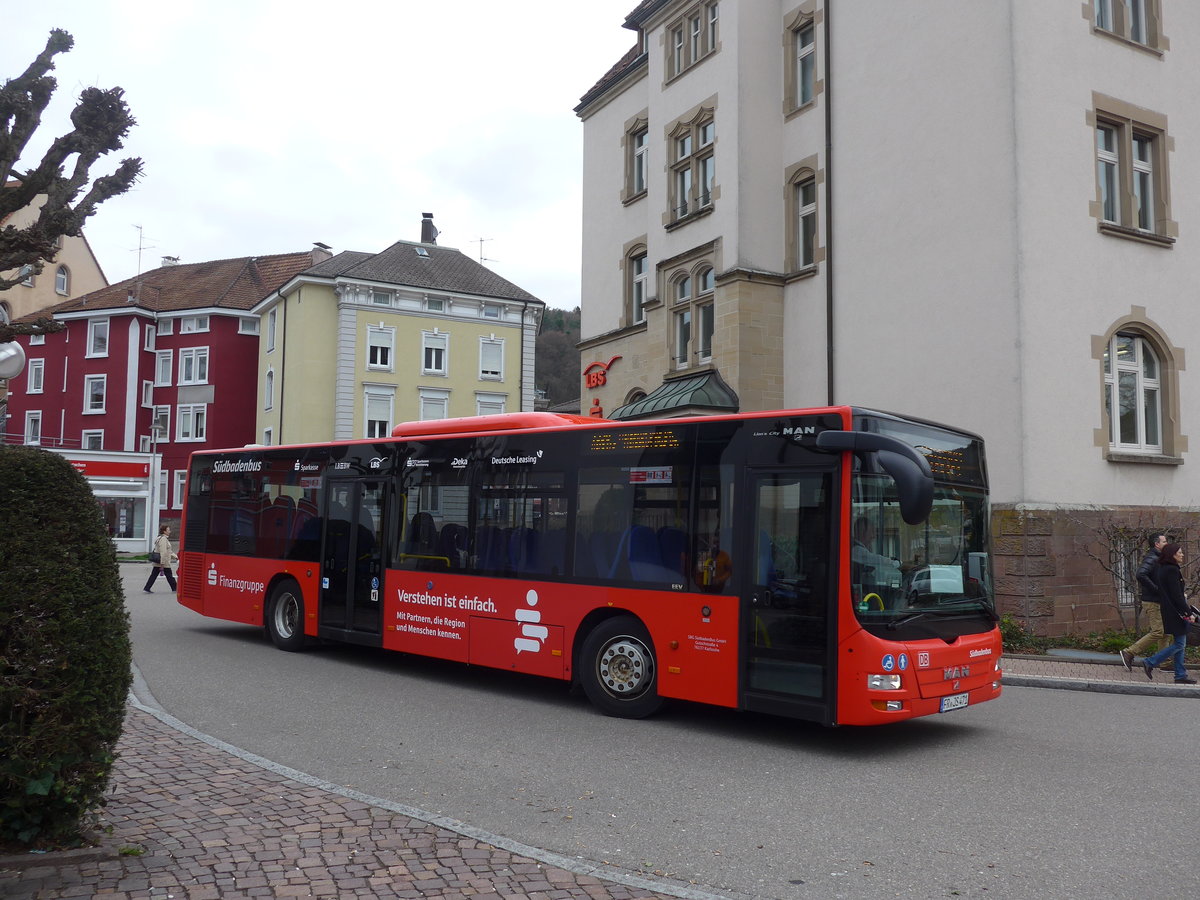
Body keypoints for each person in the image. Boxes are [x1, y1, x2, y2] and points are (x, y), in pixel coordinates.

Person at [1140, 542, 1197, 684]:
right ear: (1172, 555)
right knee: (1179, 644)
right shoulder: (1171, 570)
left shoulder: (1164, 568)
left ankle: (1180, 675)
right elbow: (1176, 595)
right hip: (1175, 612)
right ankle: (1150, 662)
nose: (1182, 555)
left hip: (1170, 610)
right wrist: (1187, 612)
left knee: (1180, 643)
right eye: (1180, 552)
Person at [1119, 532, 1170, 671]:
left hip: (1159, 601)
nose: (1167, 544)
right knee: (1158, 632)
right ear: (1157, 544)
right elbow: (1140, 574)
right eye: (1164, 542)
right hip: (1152, 602)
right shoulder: (1152, 558)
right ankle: (1129, 652)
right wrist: (1156, 589)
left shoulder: (1159, 558)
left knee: (1165, 632)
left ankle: (1164, 662)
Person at [851, 516, 901, 587]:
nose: (873, 536)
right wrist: (894, 563)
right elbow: (873, 559)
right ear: (862, 532)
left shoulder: (857, 548)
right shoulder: (856, 550)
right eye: (871, 532)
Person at [144, 524, 178, 593]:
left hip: (159, 562)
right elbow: (163, 552)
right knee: (169, 576)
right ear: (164, 531)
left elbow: (169, 551)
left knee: (154, 575)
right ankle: (175, 588)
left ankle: (147, 588)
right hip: (163, 562)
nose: (170, 531)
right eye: (168, 530)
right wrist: (162, 563)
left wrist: (176, 557)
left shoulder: (161, 538)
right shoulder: (163, 539)